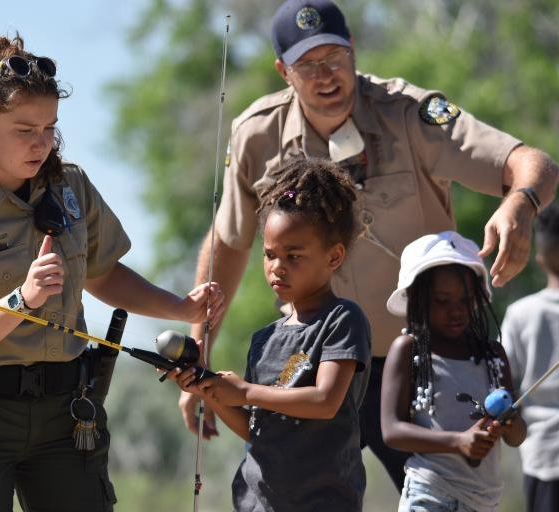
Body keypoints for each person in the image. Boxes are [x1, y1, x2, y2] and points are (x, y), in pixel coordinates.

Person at [180, 0, 558, 491]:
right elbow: (229, 242)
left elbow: (531, 163)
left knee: (450, 497)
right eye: (308, 66)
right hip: (320, 364)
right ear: (283, 72)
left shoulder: (409, 115)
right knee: (286, 492)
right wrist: (198, 346)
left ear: (353, 49)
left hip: (418, 358)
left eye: (335, 58)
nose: (326, 76)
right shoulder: (258, 134)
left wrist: (521, 204)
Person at [0, 34, 225, 512]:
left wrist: (180, 307)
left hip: (66, 412)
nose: (41, 142)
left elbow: (103, 274)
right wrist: (23, 300)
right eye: (24, 129)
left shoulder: (70, 186)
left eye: (50, 127)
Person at [170, 156, 371, 511]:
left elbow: (325, 401)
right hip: (256, 502)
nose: (278, 267)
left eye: (294, 256)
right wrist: (209, 389)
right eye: (269, 254)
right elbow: (256, 430)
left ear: (334, 256)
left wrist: (245, 391)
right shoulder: (263, 339)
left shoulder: (342, 319)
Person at [380, 231, 527, 512]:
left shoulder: (493, 356)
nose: (457, 311)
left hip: (484, 500)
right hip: (431, 493)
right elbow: (392, 430)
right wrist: (458, 442)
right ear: (417, 299)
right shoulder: (409, 349)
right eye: (442, 301)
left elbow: (516, 437)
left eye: (466, 300)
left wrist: (511, 424)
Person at [501, 202, 559, 512]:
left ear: (539, 258)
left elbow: (501, 384)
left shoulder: (521, 314)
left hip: (544, 458)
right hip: (543, 459)